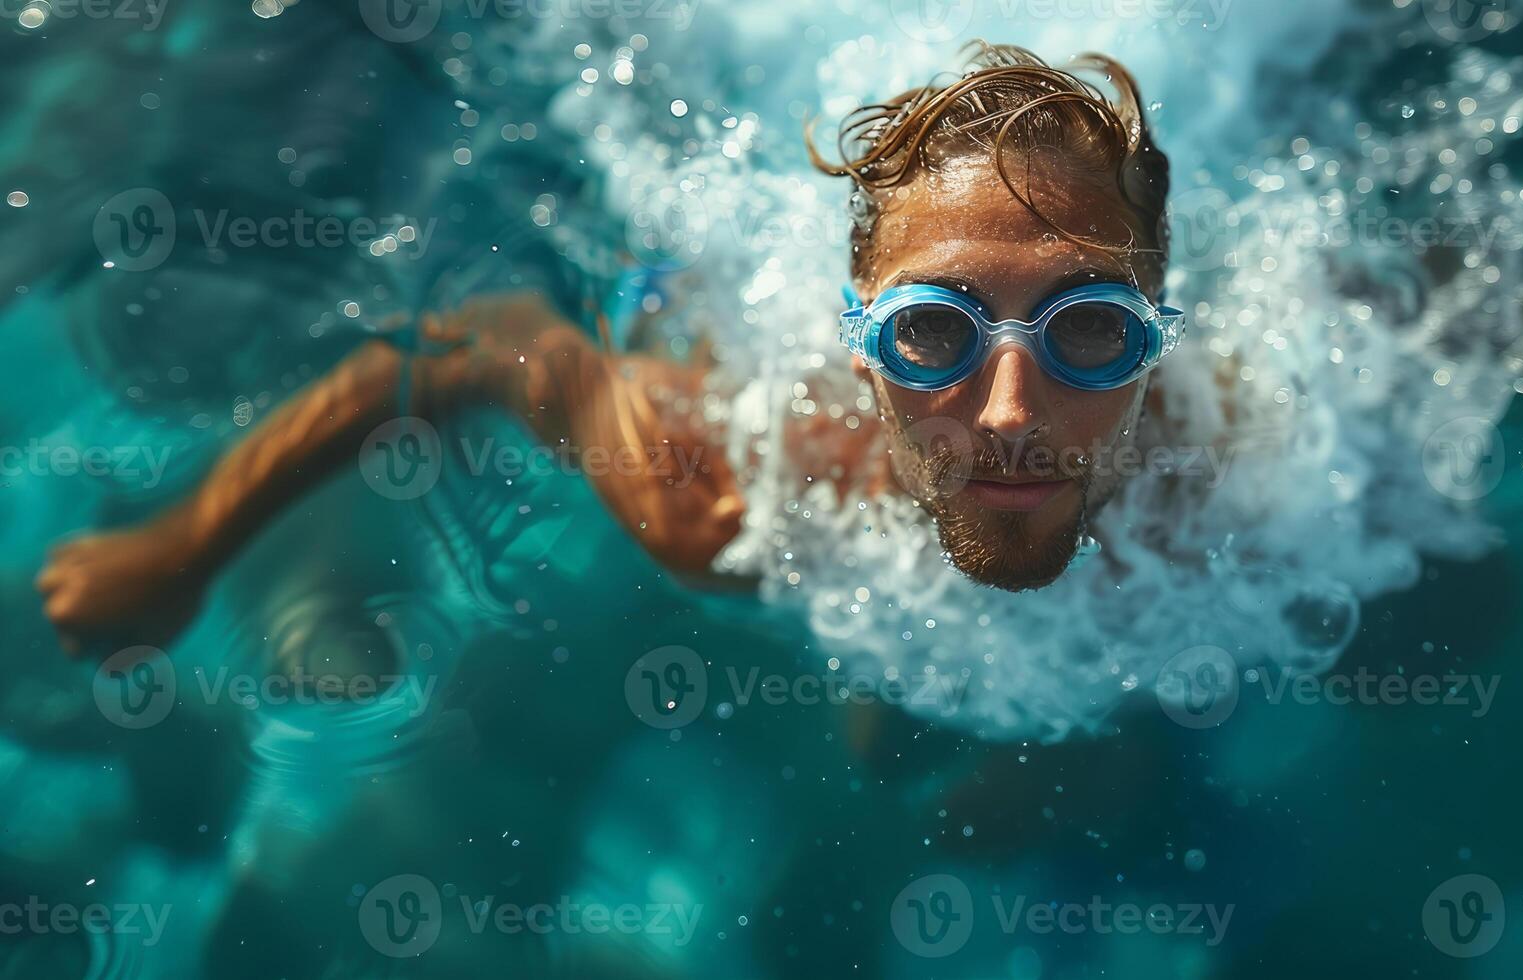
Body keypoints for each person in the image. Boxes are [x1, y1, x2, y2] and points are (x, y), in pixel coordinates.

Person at [36, 43, 1182, 656]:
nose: (1009, 412)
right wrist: (182, 543)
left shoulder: (1254, 476)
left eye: (1093, 328)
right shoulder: (720, 494)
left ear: (1161, 330)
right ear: (855, 341)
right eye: (932, 330)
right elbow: (483, 343)